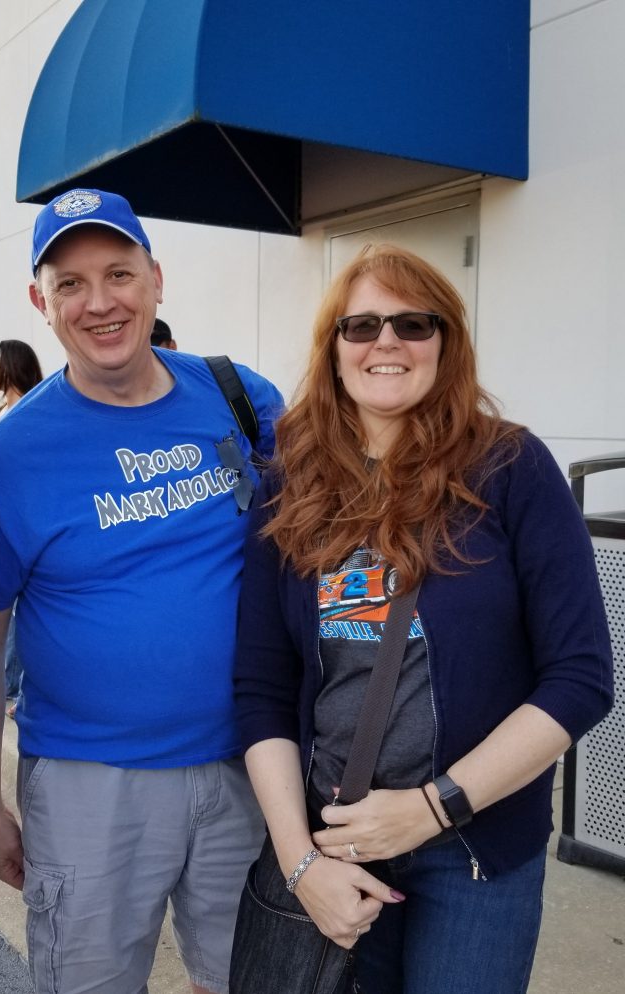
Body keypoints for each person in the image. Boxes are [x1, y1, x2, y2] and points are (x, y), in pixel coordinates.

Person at [233, 244, 614, 993]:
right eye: (362, 325)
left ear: (447, 343)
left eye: (414, 323)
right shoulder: (288, 485)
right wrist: (297, 858)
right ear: (333, 348)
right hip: (332, 840)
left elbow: (580, 678)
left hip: (477, 851)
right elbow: (260, 689)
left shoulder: (512, 470)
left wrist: (435, 809)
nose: (387, 342)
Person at [0, 188, 284, 994]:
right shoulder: (7, 457)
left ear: (157, 280)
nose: (100, 302)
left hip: (252, 765)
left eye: (118, 273)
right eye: (70, 284)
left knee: (252, 979)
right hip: (88, 783)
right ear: (41, 302)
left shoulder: (242, 398)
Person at [0, 339, 45, 716]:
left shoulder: (22, 415)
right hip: (21, 529)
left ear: (5, 369)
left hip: (22, 531)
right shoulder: (34, 407)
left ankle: (13, 691)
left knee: (14, 623)